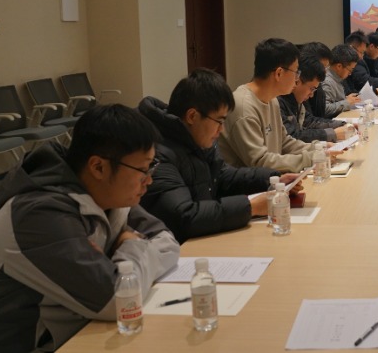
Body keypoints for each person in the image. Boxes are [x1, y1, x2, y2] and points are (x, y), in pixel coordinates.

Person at [0, 105, 180, 352]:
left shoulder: (110, 197)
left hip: (79, 332)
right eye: (143, 170)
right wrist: (131, 243)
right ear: (98, 167)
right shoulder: (40, 215)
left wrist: (117, 265)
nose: (149, 180)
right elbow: (118, 300)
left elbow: (167, 241)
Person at [139, 69, 304, 243]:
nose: (221, 129)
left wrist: (273, 179)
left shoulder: (198, 140)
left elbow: (224, 176)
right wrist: (250, 207)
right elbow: (184, 217)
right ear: (192, 116)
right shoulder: (157, 155)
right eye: (219, 121)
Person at [217, 37, 317, 172]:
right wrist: (310, 158)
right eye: (296, 72)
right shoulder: (244, 108)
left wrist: (318, 149)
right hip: (250, 184)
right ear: (279, 73)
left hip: (271, 180)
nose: (297, 78)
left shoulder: (272, 99)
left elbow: (283, 142)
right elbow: (259, 161)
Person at [279, 53, 352, 143]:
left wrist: (342, 124)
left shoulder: (297, 100)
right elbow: (293, 136)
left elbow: (310, 121)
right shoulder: (279, 101)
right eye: (311, 89)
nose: (311, 95)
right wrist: (333, 134)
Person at [324, 43, 363, 117]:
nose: (350, 73)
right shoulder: (327, 81)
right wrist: (347, 102)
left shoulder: (337, 77)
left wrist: (346, 99)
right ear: (339, 66)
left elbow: (334, 101)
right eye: (350, 70)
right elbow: (325, 109)